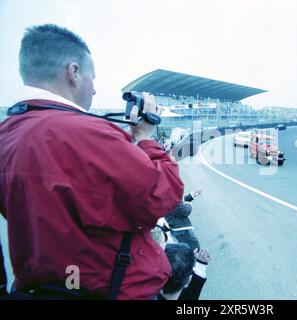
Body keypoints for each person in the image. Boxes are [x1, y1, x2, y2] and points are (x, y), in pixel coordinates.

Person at [0, 24, 184, 299]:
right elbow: (164, 194)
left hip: (41, 286)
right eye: (92, 77)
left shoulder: (7, 134)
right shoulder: (88, 133)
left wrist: (126, 144)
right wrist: (145, 138)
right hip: (107, 288)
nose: (95, 90)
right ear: (73, 72)